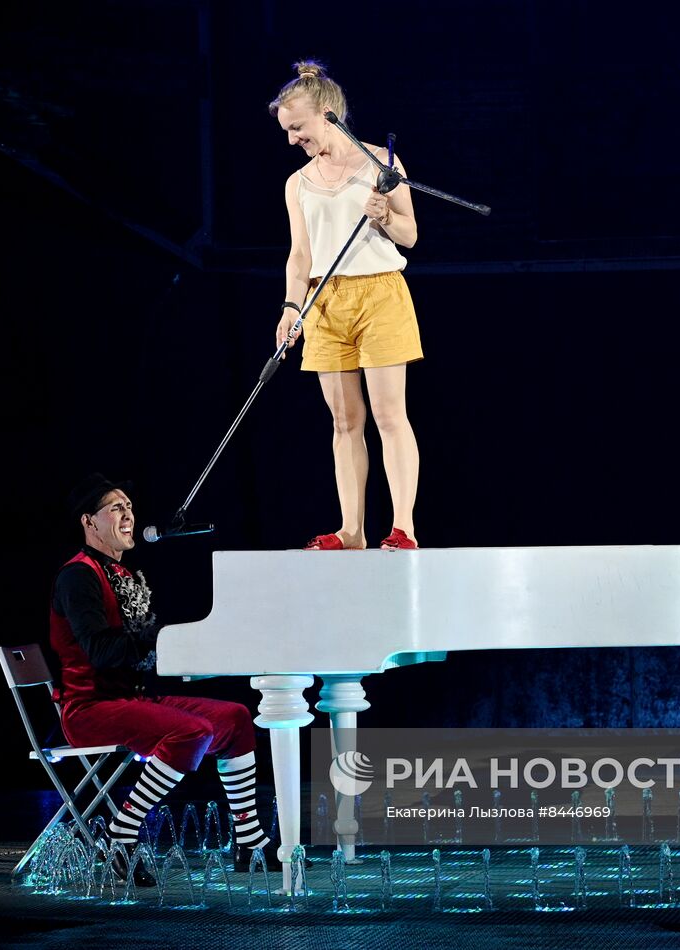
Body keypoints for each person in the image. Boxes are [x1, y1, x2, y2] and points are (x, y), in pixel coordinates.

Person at [49, 473, 280, 876]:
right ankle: (122, 831)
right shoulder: (78, 576)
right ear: (89, 521)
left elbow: (138, 644)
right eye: (116, 508)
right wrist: (161, 637)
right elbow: (101, 652)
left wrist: (183, 644)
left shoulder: (121, 573)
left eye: (129, 507)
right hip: (89, 709)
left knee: (235, 718)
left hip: (132, 698)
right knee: (192, 731)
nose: (128, 515)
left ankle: (249, 840)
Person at [270, 59, 422, 551]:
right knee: (344, 421)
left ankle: (403, 528)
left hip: (379, 293)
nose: (292, 139)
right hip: (324, 301)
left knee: (389, 416)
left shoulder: (382, 164)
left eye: (297, 128)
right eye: (287, 130)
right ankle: (351, 531)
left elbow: (410, 234)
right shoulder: (298, 183)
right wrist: (291, 308)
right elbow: (300, 255)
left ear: (327, 114)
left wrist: (384, 218)